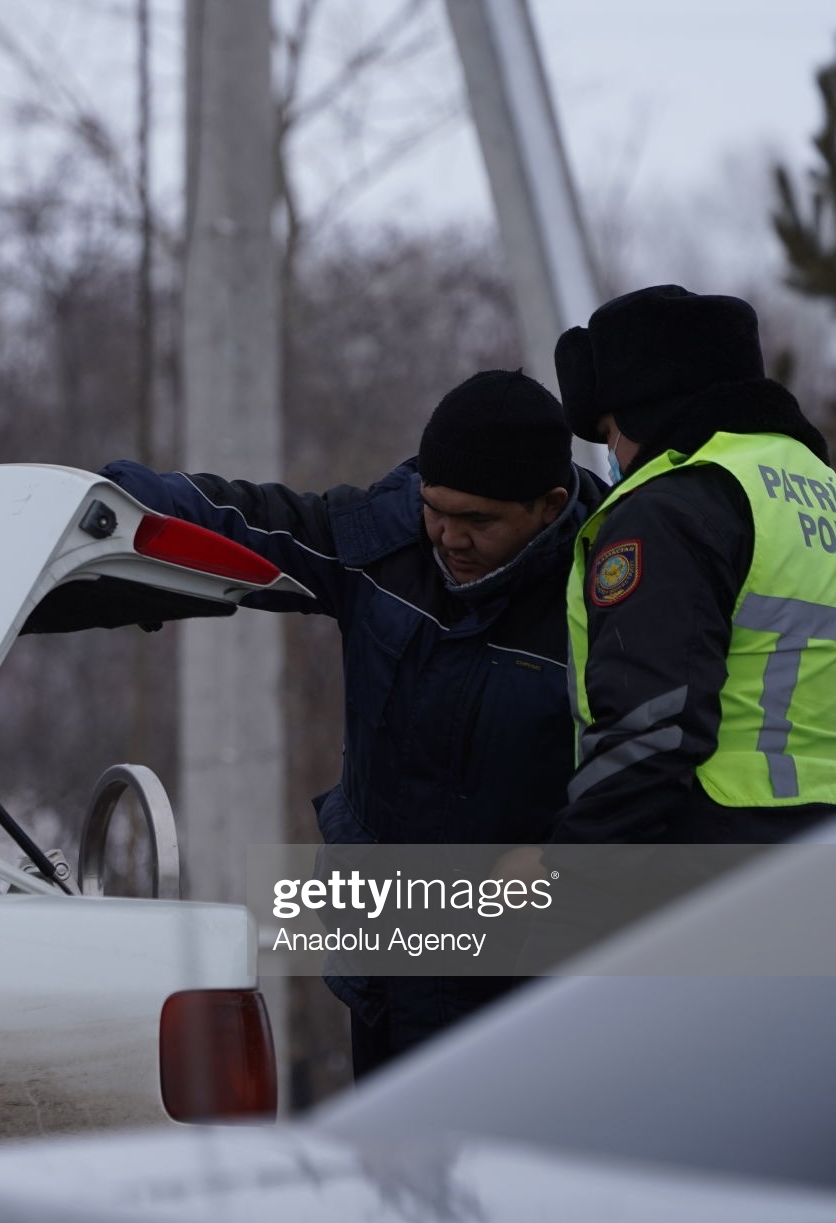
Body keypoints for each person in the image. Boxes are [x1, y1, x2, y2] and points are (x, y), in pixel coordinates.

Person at [101, 369, 606, 1077]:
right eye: (437, 509)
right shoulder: (386, 539)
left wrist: (562, 861)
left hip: (526, 992)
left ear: (550, 505)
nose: (449, 538)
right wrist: (112, 501)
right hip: (386, 971)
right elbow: (252, 522)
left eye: (479, 521)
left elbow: (654, 765)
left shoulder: (613, 592)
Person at [547, 284, 836, 847]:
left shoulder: (672, 509)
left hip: (703, 875)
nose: (611, 458)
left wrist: (566, 894)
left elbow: (644, 745)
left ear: (649, 411)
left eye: (611, 433)